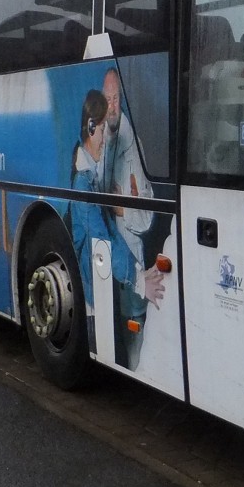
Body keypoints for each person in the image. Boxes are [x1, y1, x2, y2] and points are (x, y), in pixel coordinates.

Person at [68, 90, 160, 338]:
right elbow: (104, 241)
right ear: (90, 128)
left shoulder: (92, 174)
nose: (105, 140)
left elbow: (109, 230)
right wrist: (140, 283)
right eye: (101, 132)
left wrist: (139, 271)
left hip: (99, 285)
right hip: (90, 294)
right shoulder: (83, 184)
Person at [100, 67, 166, 370]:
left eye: (115, 99)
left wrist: (124, 210)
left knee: (133, 341)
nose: (111, 105)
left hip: (130, 259)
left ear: (121, 100)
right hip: (109, 259)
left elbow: (145, 218)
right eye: (107, 99)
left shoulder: (131, 145)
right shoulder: (101, 140)